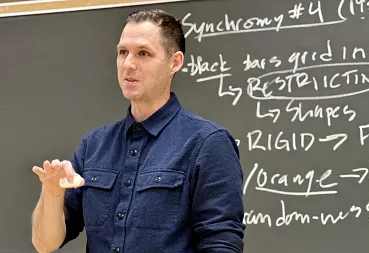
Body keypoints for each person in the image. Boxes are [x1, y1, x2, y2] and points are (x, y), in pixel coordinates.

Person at [31, 9, 245, 253]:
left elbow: (221, 243)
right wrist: (52, 193)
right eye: (123, 53)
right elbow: (45, 244)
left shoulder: (208, 143)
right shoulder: (94, 145)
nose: (128, 64)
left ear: (175, 62)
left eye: (143, 53)